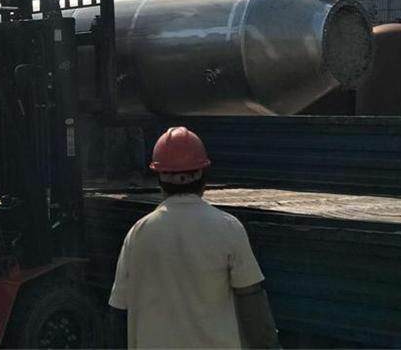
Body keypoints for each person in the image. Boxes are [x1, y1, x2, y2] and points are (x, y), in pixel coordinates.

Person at [107, 126, 280, 349]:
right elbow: (252, 305)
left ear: (159, 179)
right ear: (203, 177)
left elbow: (119, 312)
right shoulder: (228, 228)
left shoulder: (138, 234)